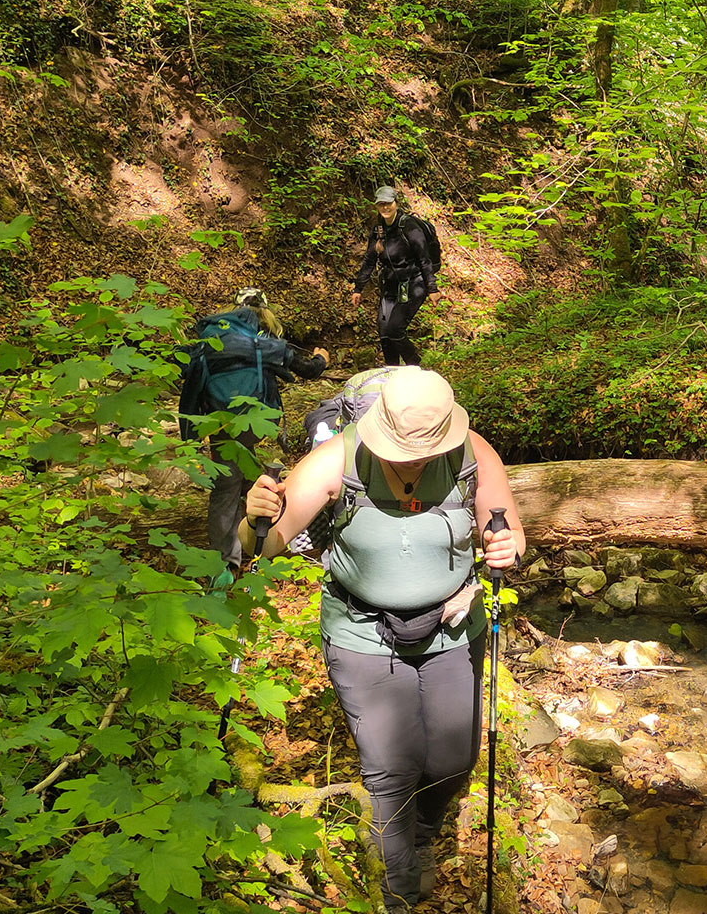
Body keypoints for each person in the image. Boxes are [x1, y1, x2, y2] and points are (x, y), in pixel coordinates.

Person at [245, 366, 525, 910]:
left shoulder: (474, 454)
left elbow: (510, 532)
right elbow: (267, 542)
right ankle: (395, 892)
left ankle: (414, 839)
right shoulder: (338, 459)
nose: (416, 456)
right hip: (361, 632)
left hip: (450, 626)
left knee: (452, 761)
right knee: (391, 768)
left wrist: (507, 548)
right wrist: (252, 518)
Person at [180, 288, 329, 570]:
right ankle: (228, 564)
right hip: (256, 419)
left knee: (232, 474)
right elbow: (309, 370)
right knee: (230, 483)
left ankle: (249, 544)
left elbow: (177, 366)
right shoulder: (267, 344)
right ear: (265, 312)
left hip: (218, 418)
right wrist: (322, 359)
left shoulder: (210, 342)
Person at [350, 186, 443, 366]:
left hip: (415, 283)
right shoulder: (379, 231)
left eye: (388, 204)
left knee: (395, 329)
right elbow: (369, 260)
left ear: (396, 203)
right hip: (391, 286)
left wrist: (432, 289)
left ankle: (415, 367)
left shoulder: (409, 227)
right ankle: (392, 371)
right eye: (381, 204)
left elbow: (424, 259)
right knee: (385, 331)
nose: (385, 208)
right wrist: (358, 288)